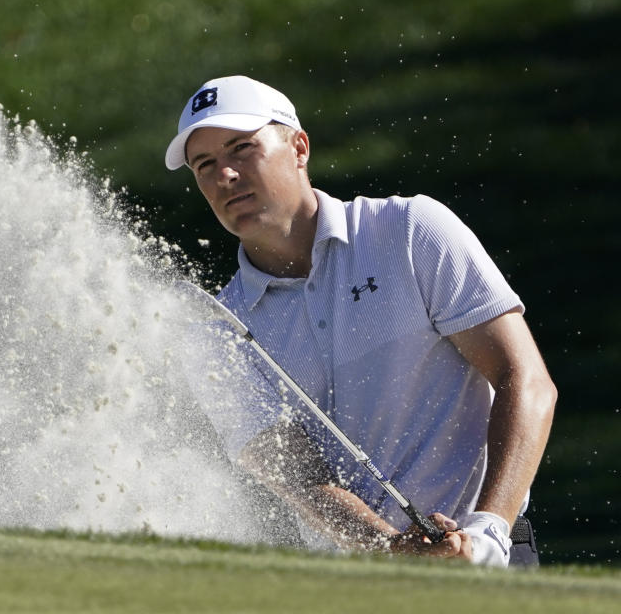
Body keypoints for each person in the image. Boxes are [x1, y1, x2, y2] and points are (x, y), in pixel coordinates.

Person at [165, 75, 557, 566]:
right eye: (205, 165)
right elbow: (301, 479)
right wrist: (394, 550)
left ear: (299, 147)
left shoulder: (410, 230)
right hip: (358, 576)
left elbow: (526, 379)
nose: (224, 174)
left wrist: (487, 530)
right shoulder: (216, 328)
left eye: (241, 148)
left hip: (493, 554)